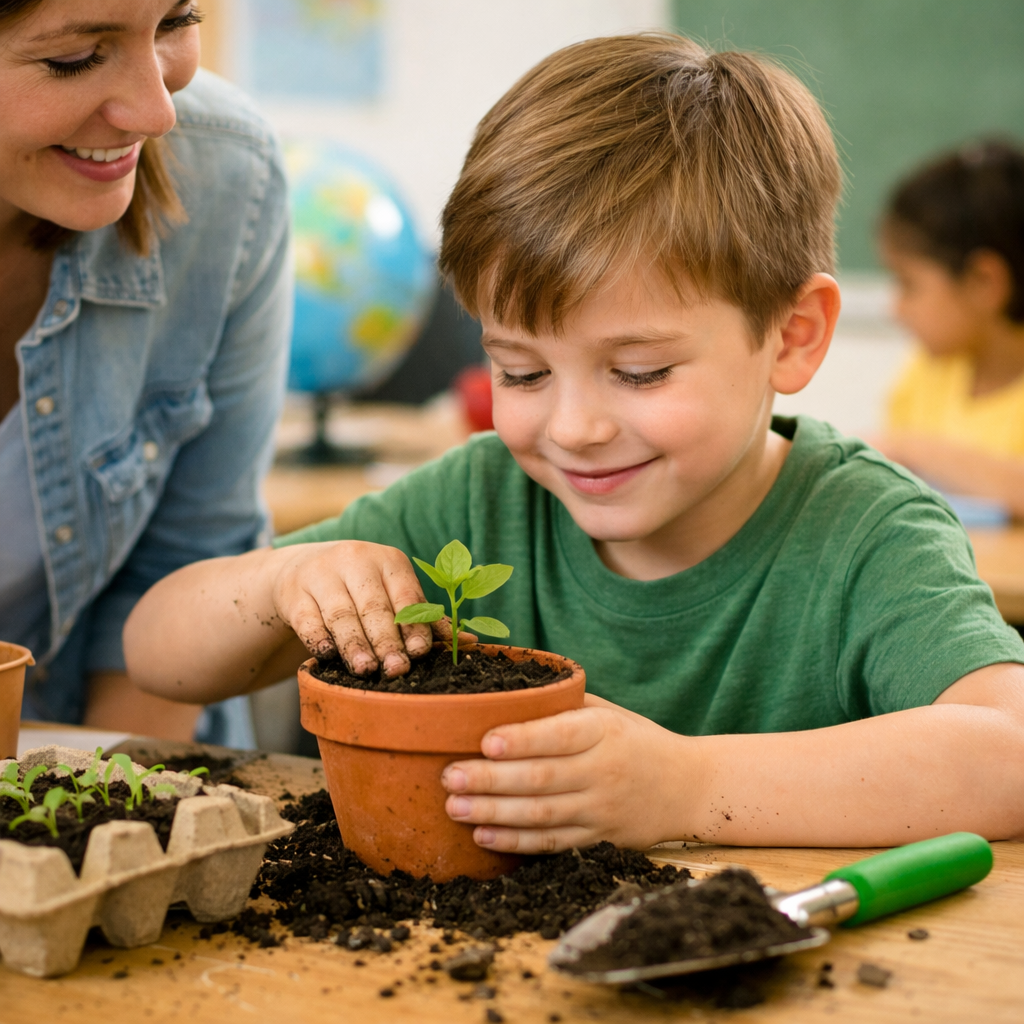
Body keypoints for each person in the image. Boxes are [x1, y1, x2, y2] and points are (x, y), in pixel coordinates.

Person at [125, 34, 1024, 851]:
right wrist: (281, 584)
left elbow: (1008, 753)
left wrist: (686, 786)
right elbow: (156, 654)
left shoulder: (869, 534)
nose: (573, 428)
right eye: (521, 374)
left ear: (792, 336)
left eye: (639, 374)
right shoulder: (476, 502)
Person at [0, 0, 291, 742]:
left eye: (175, 21)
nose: (158, 112)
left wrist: (93, 827)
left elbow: (189, 559)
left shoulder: (227, 169)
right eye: (75, 57)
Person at [875, 140, 1024, 517]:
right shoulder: (926, 374)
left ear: (982, 282)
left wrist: (911, 448)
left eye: (909, 284)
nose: (896, 307)